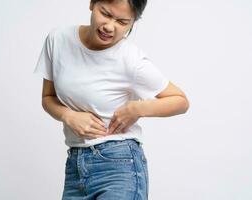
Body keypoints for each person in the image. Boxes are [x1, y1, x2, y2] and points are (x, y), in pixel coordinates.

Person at [33, 0, 189, 199]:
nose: (109, 27)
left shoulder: (131, 59)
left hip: (119, 164)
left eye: (122, 22)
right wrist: (68, 115)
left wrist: (137, 109)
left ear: (133, 23)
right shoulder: (58, 39)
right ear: (92, 4)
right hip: (75, 167)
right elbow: (48, 97)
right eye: (105, 14)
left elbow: (180, 101)